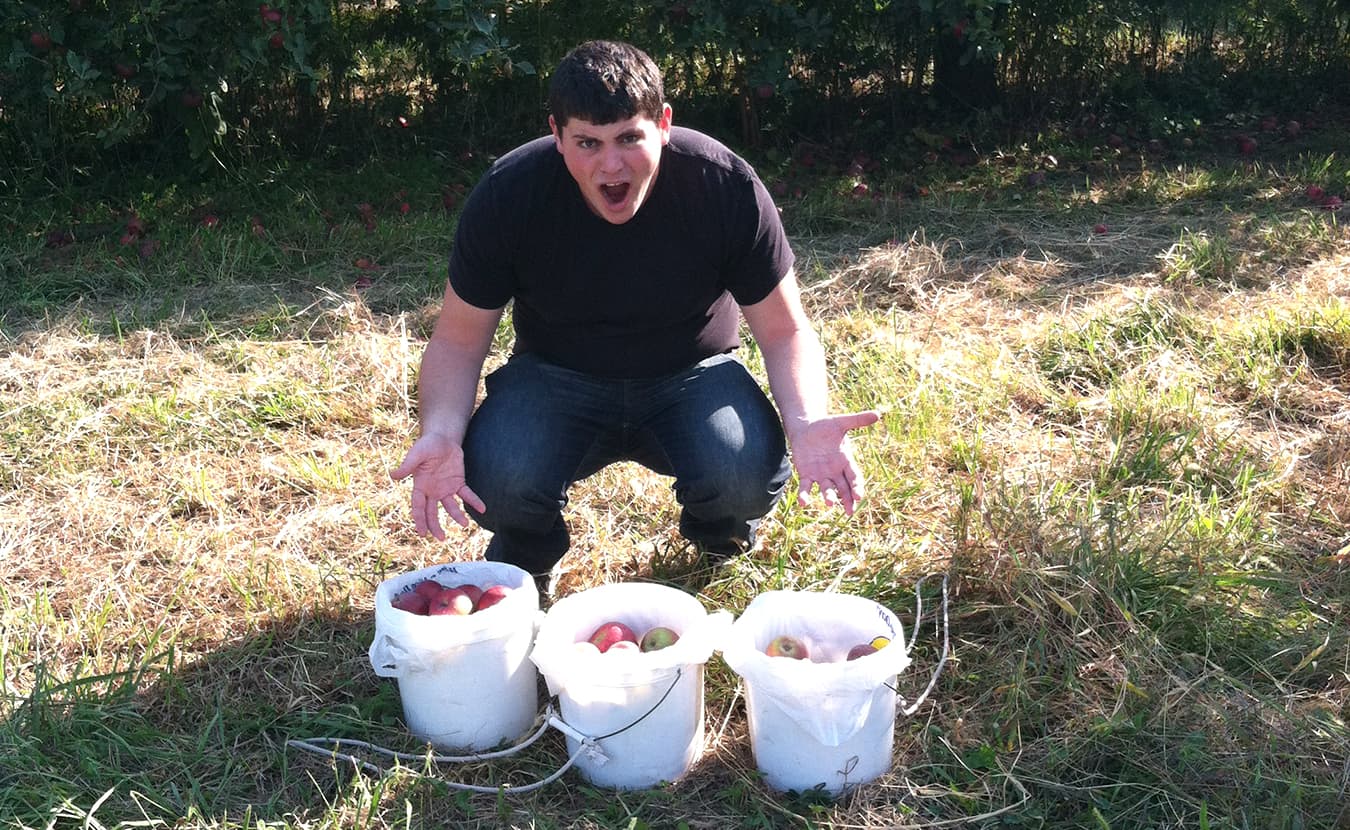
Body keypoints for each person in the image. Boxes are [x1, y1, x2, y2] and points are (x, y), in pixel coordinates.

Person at [391, 40, 880, 582]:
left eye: (629, 138)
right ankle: (528, 553)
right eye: (587, 143)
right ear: (556, 134)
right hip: (555, 378)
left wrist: (807, 421)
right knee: (499, 473)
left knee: (742, 472)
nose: (611, 165)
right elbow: (458, 341)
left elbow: (786, 330)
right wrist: (439, 430)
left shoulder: (723, 185)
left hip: (694, 375)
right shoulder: (510, 194)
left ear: (663, 124)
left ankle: (721, 535)